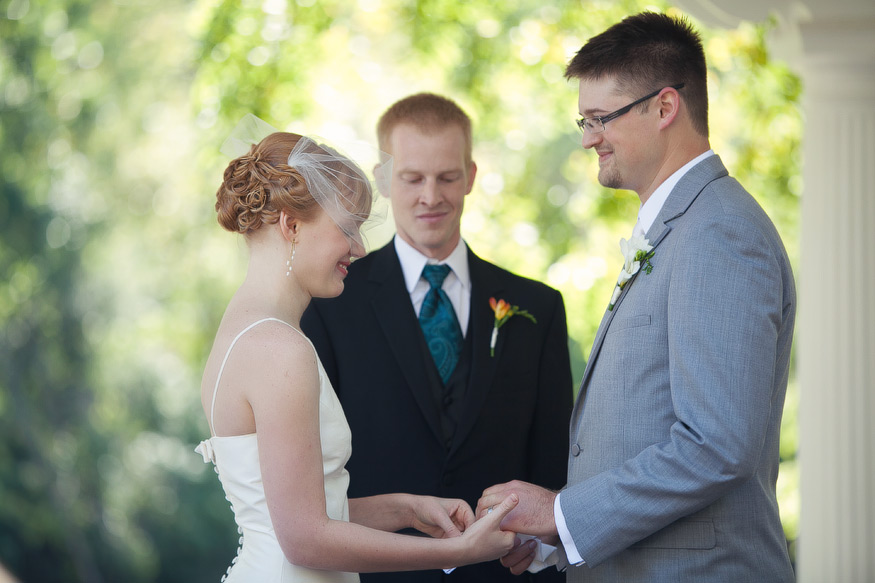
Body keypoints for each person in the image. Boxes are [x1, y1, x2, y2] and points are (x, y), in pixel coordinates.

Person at [477, 12, 796, 582]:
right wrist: (558, 538)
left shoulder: (718, 232)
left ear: (665, 107)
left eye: (601, 118)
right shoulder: (684, 225)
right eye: (584, 119)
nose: (587, 138)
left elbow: (716, 444)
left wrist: (562, 513)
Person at [195, 125, 521, 583]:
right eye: (347, 229)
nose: (360, 248)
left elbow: (299, 510)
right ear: (291, 226)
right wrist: (462, 551)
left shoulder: (242, 334)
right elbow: (305, 539)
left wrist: (407, 509)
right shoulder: (280, 350)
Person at [301, 92, 573, 583]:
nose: (431, 196)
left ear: (470, 175)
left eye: (447, 177)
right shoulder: (329, 301)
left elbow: (553, 461)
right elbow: (313, 475)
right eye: (412, 178)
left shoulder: (538, 307)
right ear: (382, 178)